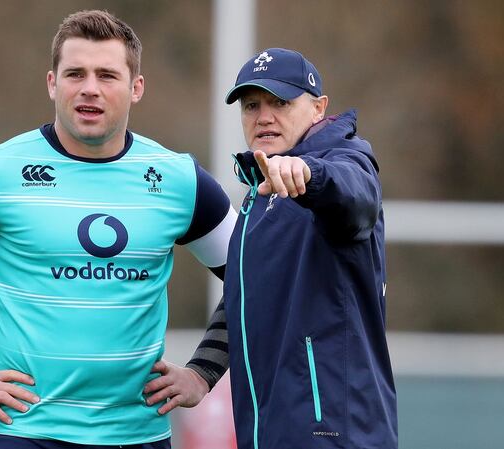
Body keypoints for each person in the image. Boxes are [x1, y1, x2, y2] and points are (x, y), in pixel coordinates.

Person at [0, 10, 237, 449]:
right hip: (29, 435)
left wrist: (203, 372)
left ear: (136, 88)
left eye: (107, 75)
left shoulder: (178, 180)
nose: (90, 88)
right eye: (75, 73)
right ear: (52, 83)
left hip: (140, 436)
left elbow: (255, 276)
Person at [145, 48, 397, 448]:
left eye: (280, 102)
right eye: (251, 106)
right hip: (270, 434)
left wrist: (311, 175)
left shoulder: (344, 160)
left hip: (332, 436)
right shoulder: (260, 195)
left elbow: (355, 197)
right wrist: (200, 373)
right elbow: (246, 294)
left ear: (319, 108)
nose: (264, 116)